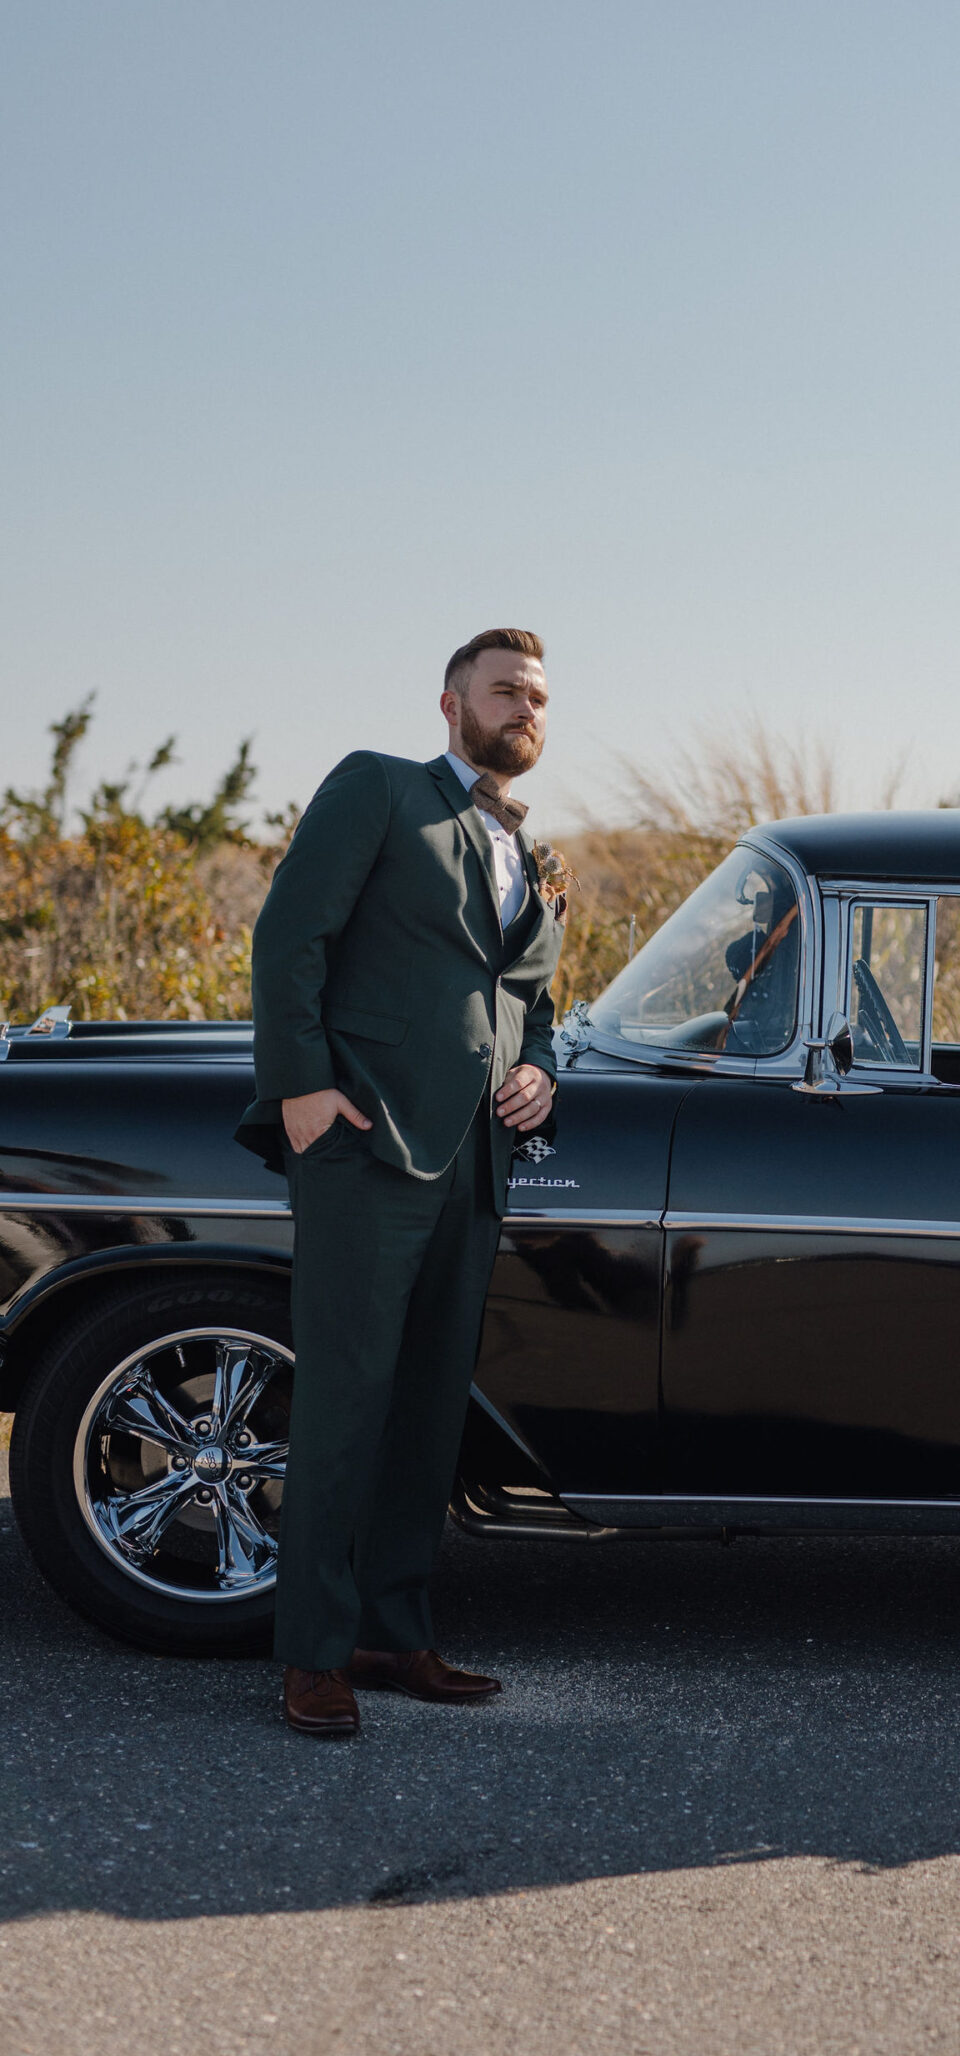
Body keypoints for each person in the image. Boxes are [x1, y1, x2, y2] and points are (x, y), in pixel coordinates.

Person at [237, 628, 565, 1737]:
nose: (524, 706)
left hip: (474, 1160)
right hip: (365, 1148)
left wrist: (539, 1070)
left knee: (428, 1409)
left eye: (538, 696)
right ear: (450, 703)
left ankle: (393, 1632)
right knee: (344, 1403)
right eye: (505, 688)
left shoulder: (534, 854)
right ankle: (312, 1654)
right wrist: (300, 1091)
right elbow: (290, 935)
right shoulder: (378, 788)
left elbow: (530, 1001)